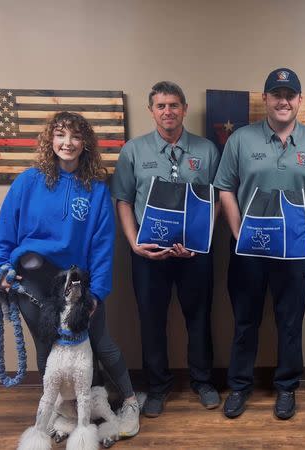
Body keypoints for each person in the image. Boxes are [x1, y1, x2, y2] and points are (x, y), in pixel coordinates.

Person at [0, 111, 140, 437]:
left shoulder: (96, 189)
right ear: (49, 140)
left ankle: (129, 403)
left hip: (76, 283)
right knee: (48, 347)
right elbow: (5, 234)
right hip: (30, 280)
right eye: (60, 135)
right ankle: (60, 414)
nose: (67, 143)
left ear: (85, 144)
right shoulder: (27, 181)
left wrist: (96, 292)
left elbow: (102, 246)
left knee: (101, 342)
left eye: (74, 136)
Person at [214, 68, 305, 420]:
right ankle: (239, 387)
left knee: (290, 323)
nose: (283, 101)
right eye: (276, 94)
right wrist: (238, 232)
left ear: (299, 100)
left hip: (295, 252)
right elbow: (225, 187)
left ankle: (287, 388)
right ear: (265, 99)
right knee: (244, 323)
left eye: (290, 95)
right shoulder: (240, 139)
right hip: (248, 251)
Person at [111, 81, 221, 418]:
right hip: (148, 254)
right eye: (160, 106)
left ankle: (202, 382)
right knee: (151, 321)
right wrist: (133, 244)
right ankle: (157, 387)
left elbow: (217, 198)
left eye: (174, 105)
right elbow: (124, 200)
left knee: (200, 319)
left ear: (184, 108)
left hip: (194, 254)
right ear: (151, 111)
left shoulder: (206, 150)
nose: (168, 111)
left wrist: (201, 240)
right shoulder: (134, 150)